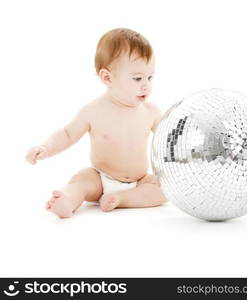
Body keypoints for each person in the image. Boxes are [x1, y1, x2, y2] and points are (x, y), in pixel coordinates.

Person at [25, 28, 167, 218]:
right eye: (137, 78)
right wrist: (46, 147)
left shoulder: (151, 112)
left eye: (150, 77)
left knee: (163, 189)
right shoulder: (93, 111)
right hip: (100, 178)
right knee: (81, 180)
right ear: (107, 77)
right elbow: (67, 134)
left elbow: (169, 138)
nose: (146, 85)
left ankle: (122, 199)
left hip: (139, 180)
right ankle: (67, 199)